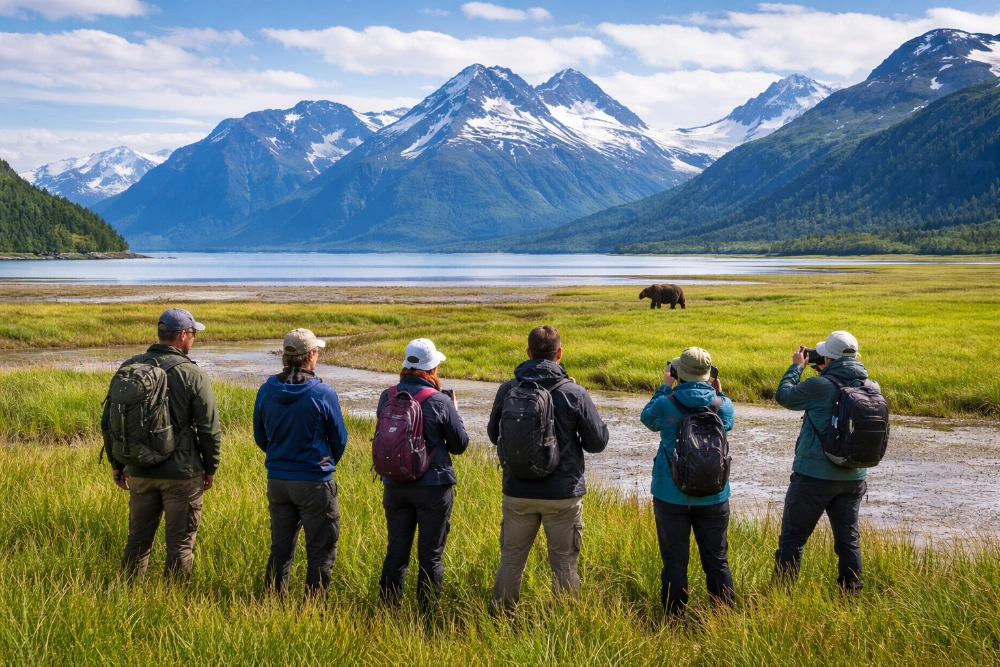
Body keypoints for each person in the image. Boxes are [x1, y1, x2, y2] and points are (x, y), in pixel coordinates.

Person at [488, 325, 609, 617]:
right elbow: (598, 443)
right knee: (565, 563)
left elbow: (494, 435)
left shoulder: (508, 389)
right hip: (562, 495)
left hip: (517, 491)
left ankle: (502, 620)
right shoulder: (573, 392)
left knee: (511, 560)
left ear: (528, 353)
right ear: (559, 354)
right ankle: (565, 620)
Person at [103, 308, 221, 581]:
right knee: (180, 545)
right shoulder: (192, 373)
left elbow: (110, 421)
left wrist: (118, 463)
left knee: (137, 543)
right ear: (181, 335)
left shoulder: (130, 367)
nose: (193, 339)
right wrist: (210, 467)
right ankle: (174, 602)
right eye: (192, 334)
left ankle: (127, 598)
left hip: (139, 470)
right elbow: (209, 429)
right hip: (182, 474)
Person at [774, 331, 874, 593]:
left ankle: (781, 595)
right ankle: (851, 595)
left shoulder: (819, 386)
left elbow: (784, 396)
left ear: (829, 357)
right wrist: (824, 368)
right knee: (849, 540)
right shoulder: (871, 386)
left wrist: (797, 366)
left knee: (793, 539)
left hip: (814, 476)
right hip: (854, 477)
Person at [641, 347, 736, 616]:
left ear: (677, 373)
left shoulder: (665, 403)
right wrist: (719, 392)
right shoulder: (722, 405)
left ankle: (674, 620)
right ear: (709, 375)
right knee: (717, 561)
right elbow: (727, 425)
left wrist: (664, 387)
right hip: (715, 495)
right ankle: (723, 619)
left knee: (674, 562)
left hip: (670, 493)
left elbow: (647, 419)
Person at [254, 329, 348, 598]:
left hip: (278, 480)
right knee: (321, 550)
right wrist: (323, 463)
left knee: (280, 549)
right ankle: (313, 611)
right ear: (311, 356)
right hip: (314, 481)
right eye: (316, 352)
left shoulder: (265, 390)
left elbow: (260, 436)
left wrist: (281, 457)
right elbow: (339, 439)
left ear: (285, 356)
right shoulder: (323, 393)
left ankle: (273, 604)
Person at [377, 338, 469, 613]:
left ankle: (387, 614)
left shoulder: (388, 395)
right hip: (433, 487)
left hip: (394, 484)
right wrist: (455, 411)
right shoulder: (440, 400)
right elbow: (460, 445)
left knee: (396, 551)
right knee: (430, 555)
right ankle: (426, 618)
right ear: (431, 369)